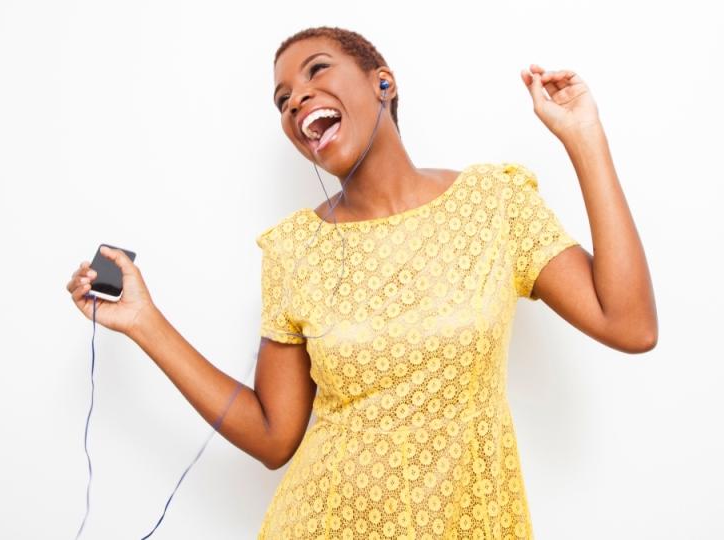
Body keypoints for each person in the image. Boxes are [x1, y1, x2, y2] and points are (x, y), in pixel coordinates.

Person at [65, 25, 657, 539]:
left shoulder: (493, 202)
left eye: (316, 71)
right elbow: (274, 437)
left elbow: (629, 324)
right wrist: (144, 322)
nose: (297, 100)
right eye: (282, 100)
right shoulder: (295, 249)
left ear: (383, 82)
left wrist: (583, 137)